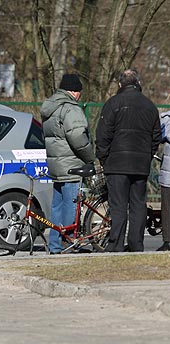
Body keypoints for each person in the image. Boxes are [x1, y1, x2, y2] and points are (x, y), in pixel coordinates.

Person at [96, 69, 162, 253]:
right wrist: (147, 155)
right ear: (138, 83)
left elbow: (102, 135)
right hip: (140, 164)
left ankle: (115, 244)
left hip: (116, 163)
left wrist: (103, 158)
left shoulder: (113, 103)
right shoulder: (150, 106)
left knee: (118, 205)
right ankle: (136, 244)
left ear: (120, 84)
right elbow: (156, 136)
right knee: (138, 205)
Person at [41, 73, 95, 254]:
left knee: (57, 206)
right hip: (72, 165)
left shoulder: (50, 107)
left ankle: (55, 245)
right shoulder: (70, 109)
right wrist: (90, 158)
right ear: (73, 91)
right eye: (79, 91)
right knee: (71, 205)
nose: (80, 95)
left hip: (56, 165)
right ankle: (69, 243)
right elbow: (78, 137)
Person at [157, 111, 170, 251]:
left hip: (168, 174)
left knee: (167, 208)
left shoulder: (166, 120)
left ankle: (168, 241)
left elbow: (156, 137)